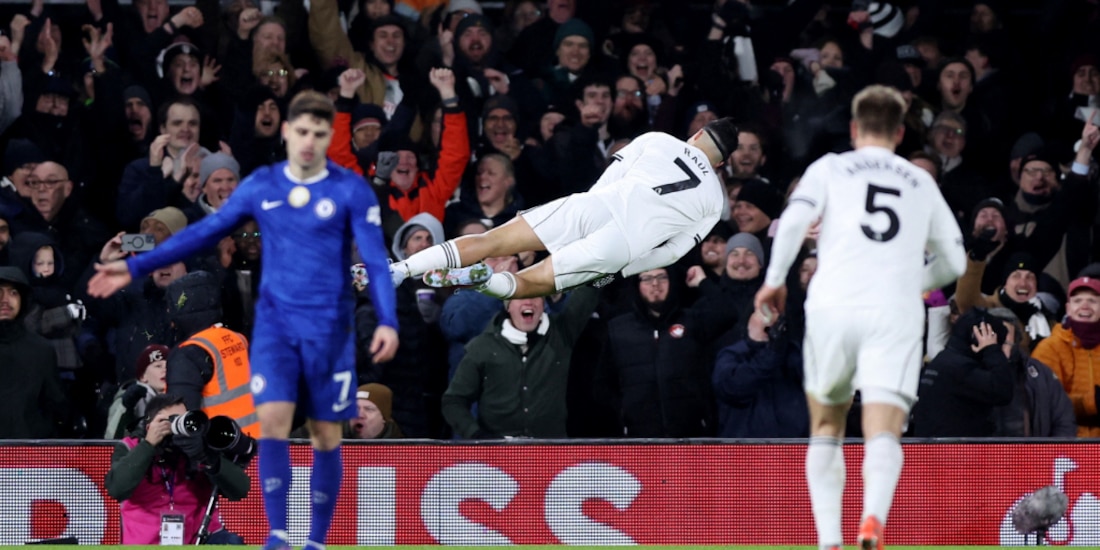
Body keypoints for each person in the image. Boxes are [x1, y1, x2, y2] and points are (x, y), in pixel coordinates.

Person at [87, 90, 399, 550]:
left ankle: (312, 537)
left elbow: (373, 254)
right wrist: (133, 266)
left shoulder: (349, 189)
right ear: (288, 134)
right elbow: (203, 232)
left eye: (319, 133)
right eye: (301, 131)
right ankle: (281, 532)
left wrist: (387, 318)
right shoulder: (261, 187)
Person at [753, 85, 966, 550]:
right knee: (883, 428)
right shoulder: (920, 182)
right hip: (893, 310)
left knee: (826, 426)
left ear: (853, 128)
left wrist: (774, 278)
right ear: (900, 132)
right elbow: (955, 260)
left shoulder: (830, 168)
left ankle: (830, 540)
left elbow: (794, 220)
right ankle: (873, 519)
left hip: (833, 304)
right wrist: (911, 282)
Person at [390, 118, 741, 300]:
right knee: (533, 282)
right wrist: (622, 270)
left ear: (698, 134)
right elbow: (672, 254)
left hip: (596, 204)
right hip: (622, 245)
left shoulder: (658, 139)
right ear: (721, 163)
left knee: (491, 241)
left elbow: (612, 173)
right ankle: (483, 282)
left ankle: (401, 269)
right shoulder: (715, 202)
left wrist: (585, 211)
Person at [104, 394, 250, 545]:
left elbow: (240, 490)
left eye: (182, 420)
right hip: (146, 543)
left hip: (199, 540)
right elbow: (116, 489)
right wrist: (148, 445)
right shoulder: (131, 446)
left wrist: (207, 457)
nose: (177, 428)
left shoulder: (198, 448)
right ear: (150, 426)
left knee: (231, 543)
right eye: (169, 421)